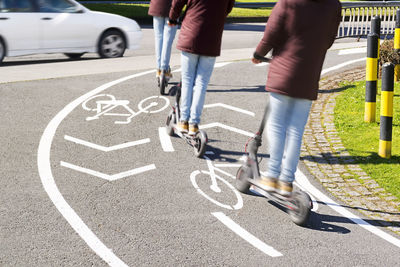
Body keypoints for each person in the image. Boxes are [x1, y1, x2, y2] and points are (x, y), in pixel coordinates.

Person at [252, 0, 341, 196]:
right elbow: (329, 39)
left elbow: (271, 33)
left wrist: (259, 54)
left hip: (283, 72)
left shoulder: (288, 2)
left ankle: (273, 175)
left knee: (277, 125)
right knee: (296, 130)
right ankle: (287, 181)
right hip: (309, 73)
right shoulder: (334, 4)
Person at [169, 0, 235, 135]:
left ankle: (183, 121)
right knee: (202, 83)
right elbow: (228, 8)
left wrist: (172, 17)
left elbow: (177, 3)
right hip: (212, 37)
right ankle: (194, 123)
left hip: (191, 34)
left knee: (187, 80)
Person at [148, 0, 178, 81]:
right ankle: (164, 69)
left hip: (157, 7)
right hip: (173, 11)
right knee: (168, 39)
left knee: (159, 39)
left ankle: (159, 70)